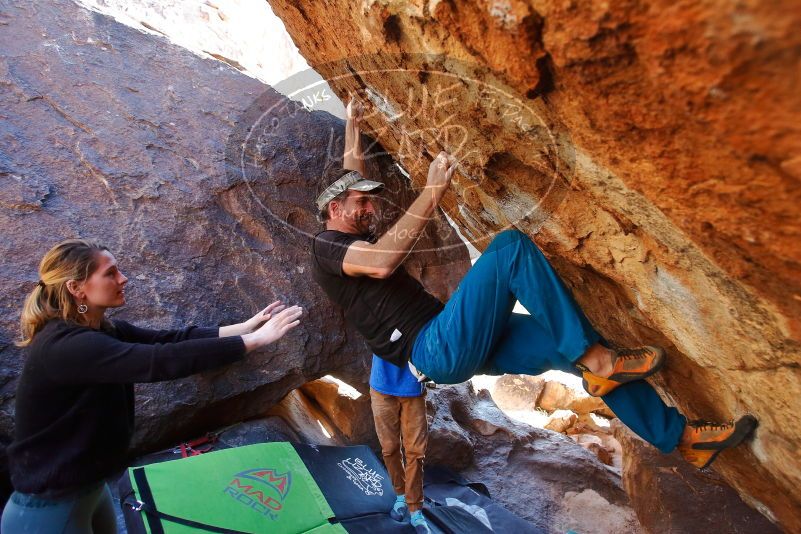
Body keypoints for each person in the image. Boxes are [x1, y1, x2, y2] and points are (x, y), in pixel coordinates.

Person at [310, 97, 757, 474]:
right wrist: (432, 190)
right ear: (334, 209)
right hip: (433, 350)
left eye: (371, 199)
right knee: (508, 249)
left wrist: (353, 124)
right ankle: (599, 361)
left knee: (572, 343)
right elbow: (384, 262)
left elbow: (350, 178)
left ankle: (682, 437)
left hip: (460, 341)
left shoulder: (348, 229)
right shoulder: (327, 247)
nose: (371, 207)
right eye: (361, 202)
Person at [2, 239, 303, 534]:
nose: (124, 278)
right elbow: (159, 361)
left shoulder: (100, 330)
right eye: (110, 273)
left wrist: (244, 327)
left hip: (87, 489)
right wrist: (254, 341)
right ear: (76, 288)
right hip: (48, 509)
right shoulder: (67, 347)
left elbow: (169, 340)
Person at [370, 355, 429, 532]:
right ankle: (401, 495)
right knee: (389, 448)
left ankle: (415, 508)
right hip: (382, 386)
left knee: (416, 452)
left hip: (413, 388)